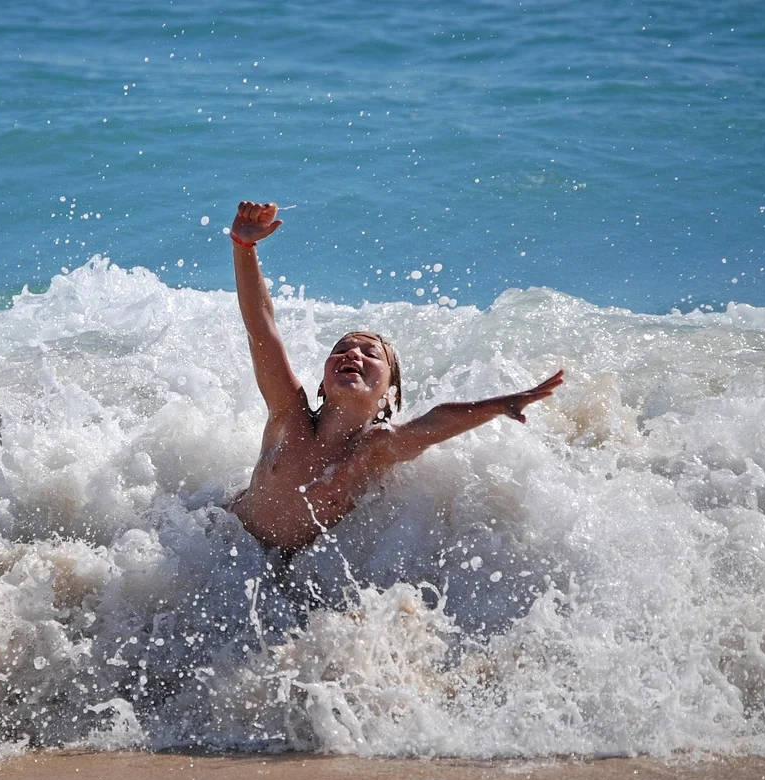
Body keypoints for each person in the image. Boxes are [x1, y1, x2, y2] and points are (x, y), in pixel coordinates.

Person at [226, 201, 564, 556]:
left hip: (282, 571)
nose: (353, 354)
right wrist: (243, 245)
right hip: (225, 541)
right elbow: (262, 329)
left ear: (389, 396)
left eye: (370, 354)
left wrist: (497, 405)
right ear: (322, 386)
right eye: (342, 349)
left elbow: (433, 423)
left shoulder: (371, 451)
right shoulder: (289, 413)